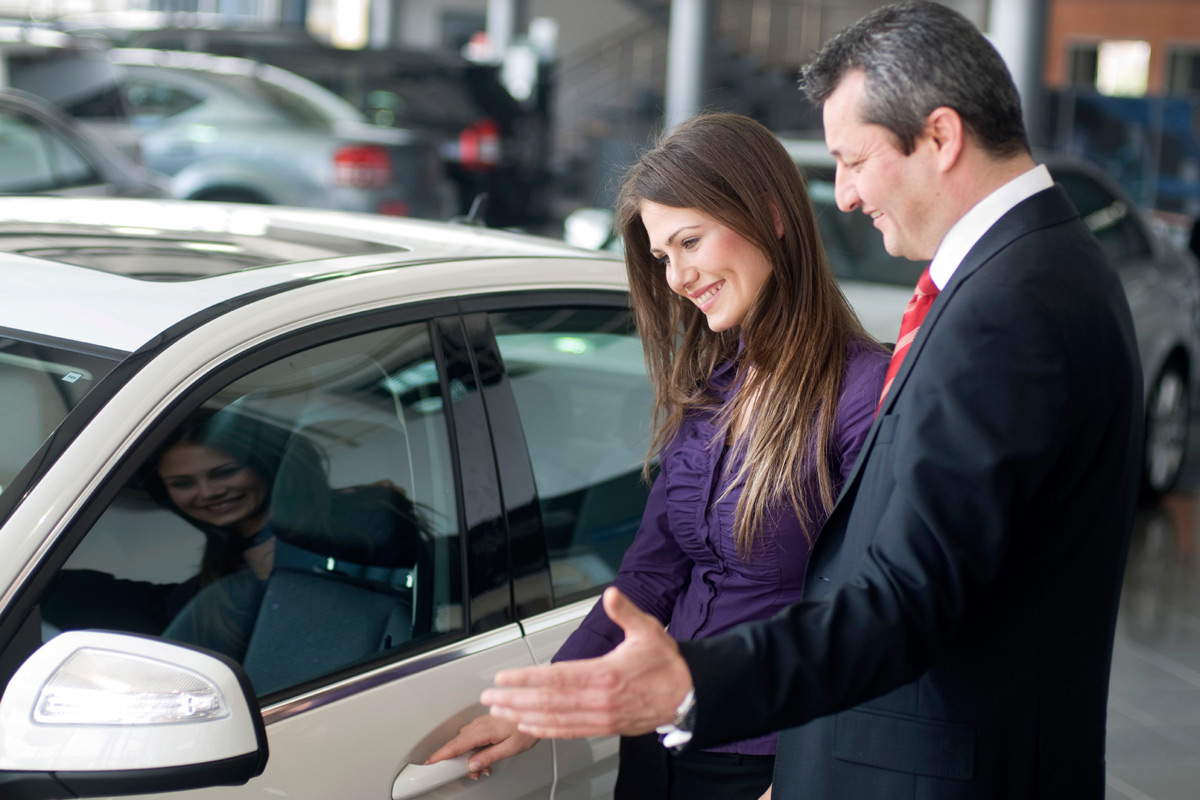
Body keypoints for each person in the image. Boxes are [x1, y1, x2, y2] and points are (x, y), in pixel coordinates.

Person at [480, 3, 1144, 798]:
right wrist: (558, 697)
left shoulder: (1009, 305)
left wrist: (699, 688)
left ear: (940, 136)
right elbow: (659, 570)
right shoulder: (1039, 272)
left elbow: (901, 598)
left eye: (853, 162)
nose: (848, 196)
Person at [427, 112, 888, 799]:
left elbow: (879, 621)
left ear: (771, 215)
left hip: (770, 763)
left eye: (690, 241)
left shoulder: (866, 395)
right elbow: (649, 576)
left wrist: (800, 780)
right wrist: (537, 709)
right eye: (662, 257)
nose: (676, 277)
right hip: (658, 748)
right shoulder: (712, 390)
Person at [43, 407, 426, 657]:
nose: (208, 492)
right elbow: (164, 612)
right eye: (183, 483)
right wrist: (38, 582)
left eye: (224, 472)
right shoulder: (224, 564)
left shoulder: (358, 521)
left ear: (264, 465)